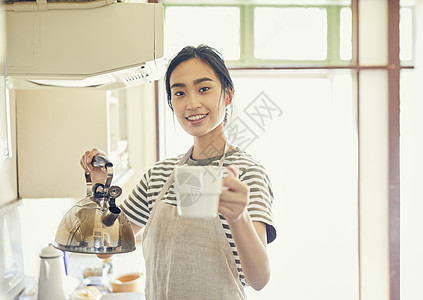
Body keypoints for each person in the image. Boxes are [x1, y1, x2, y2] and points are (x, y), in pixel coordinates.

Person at [80, 45, 276, 299]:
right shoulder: (159, 175)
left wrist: (238, 217)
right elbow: (106, 248)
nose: (192, 103)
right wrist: (100, 189)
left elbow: (259, 279)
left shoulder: (246, 174)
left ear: (227, 95)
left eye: (203, 89)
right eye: (180, 93)